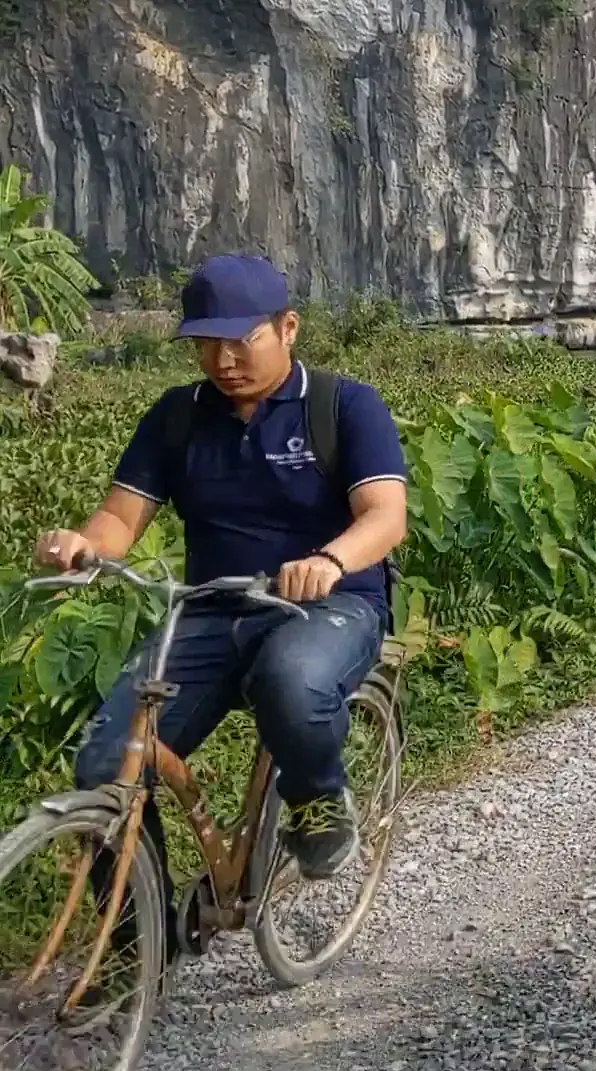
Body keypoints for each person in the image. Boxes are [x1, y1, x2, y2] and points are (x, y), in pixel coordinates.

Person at [32, 253, 409, 888]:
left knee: (290, 678)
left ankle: (318, 803)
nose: (224, 361)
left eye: (242, 340)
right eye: (207, 344)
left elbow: (385, 515)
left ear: (288, 328)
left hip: (328, 606)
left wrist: (328, 560)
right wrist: (83, 545)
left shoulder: (343, 405)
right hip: (211, 611)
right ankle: (133, 954)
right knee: (106, 762)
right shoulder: (177, 417)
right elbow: (120, 522)